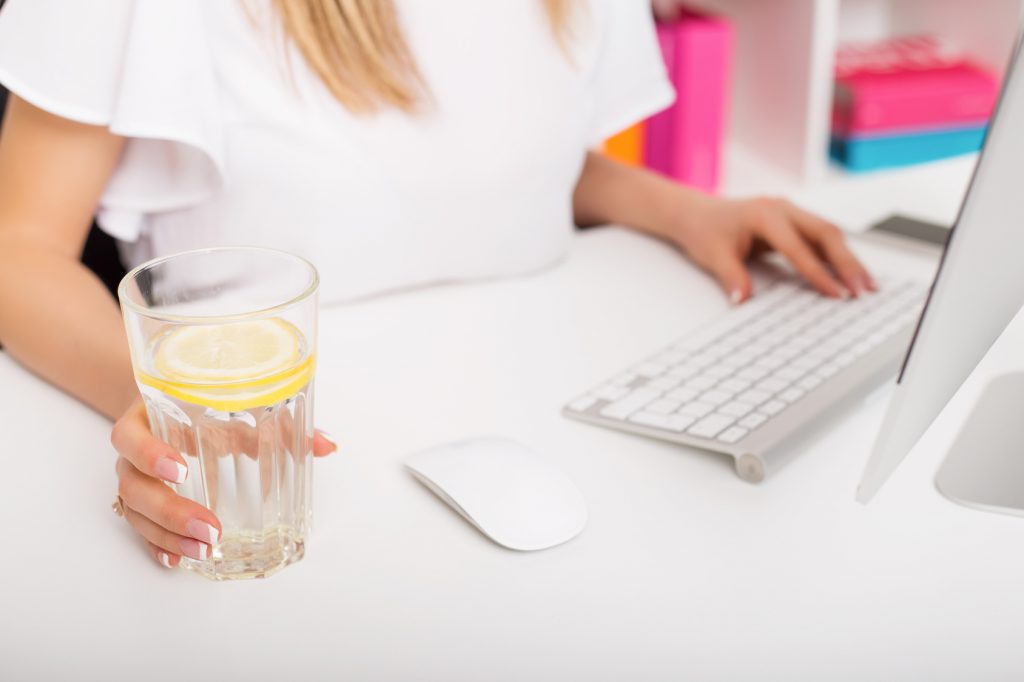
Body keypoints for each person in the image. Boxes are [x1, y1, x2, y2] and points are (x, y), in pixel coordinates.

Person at [0, 0, 873, 569]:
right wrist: (156, 402)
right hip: (274, 477)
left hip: (560, 426)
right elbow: (19, 246)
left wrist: (688, 213)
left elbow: (504, 172)